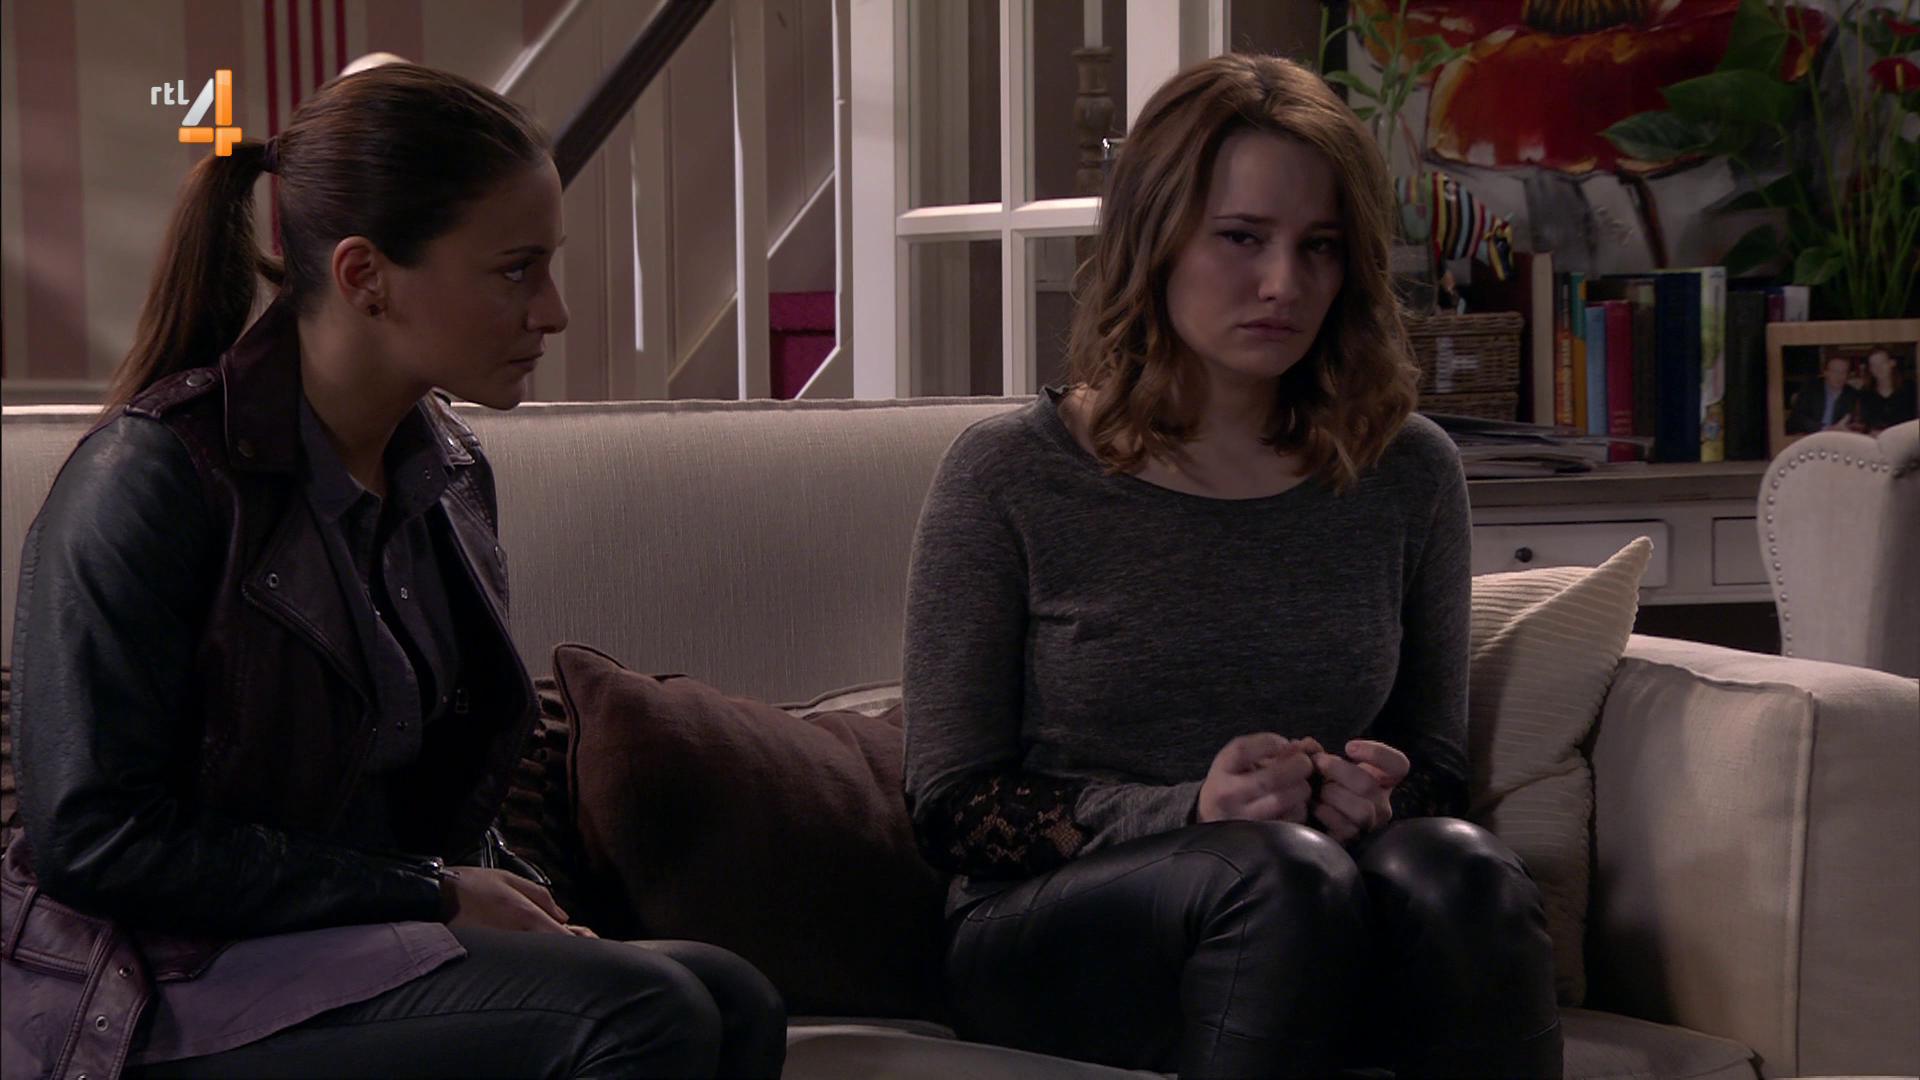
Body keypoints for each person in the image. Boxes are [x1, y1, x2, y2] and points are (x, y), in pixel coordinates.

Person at [2, 63, 785, 1079]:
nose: (552, 312)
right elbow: (97, 842)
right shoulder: (151, 478)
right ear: (366, 275)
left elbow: (431, 798)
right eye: (516, 271)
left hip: (352, 942)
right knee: (643, 1012)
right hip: (162, 984)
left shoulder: (445, 469)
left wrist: (522, 912)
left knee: (731, 996)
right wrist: (433, 893)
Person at [902, 53, 1561, 1079]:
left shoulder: (1405, 471)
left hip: (1319, 908)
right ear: (1155, 239)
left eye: (1320, 247)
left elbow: (1435, 765)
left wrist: (1378, 799)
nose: (1284, 284)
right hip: (1052, 934)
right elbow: (952, 810)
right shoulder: (1009, 474)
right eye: (1242, 237)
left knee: (1460, 870)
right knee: (1276, 874)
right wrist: (1192, 811)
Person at [1787, 353, 1863, 434]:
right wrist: (1825, 429)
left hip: (1839, 438)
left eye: (1843, 372)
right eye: (1834, 371)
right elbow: (1797, 418)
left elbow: (1856, 423)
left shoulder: (1853, 395)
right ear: (1825, 372)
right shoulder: (1810, 389)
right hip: (1811, 437)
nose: (1839, 376)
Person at [1858, 346, 1918, 433]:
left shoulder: (1910, 389)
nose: (1879, 368)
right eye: (1874, 365)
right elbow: (1863, 424)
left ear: (1892, 363)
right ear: (1870, 369)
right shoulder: (1865, 394)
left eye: (1882, 363)